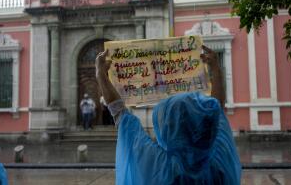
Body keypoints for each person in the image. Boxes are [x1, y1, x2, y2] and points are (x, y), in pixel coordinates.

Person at [95, 46, 241, 185]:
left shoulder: (157, 165)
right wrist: (216, 69)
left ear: (169, 127)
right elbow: (217, 111)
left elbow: (120, 114)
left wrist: (101, 75)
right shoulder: (220, 157)